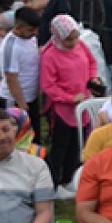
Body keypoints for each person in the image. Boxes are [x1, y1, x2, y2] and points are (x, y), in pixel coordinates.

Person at [40, 14, 100, 188]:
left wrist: (92, 79)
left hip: (81, 106)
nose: (73, 43)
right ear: (58, 37)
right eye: (68, 40)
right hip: (62, 109)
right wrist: (69, 98)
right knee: (60, 146)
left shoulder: (80, 45)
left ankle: (68, 179)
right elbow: (48, 86)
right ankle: (53, 182)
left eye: (75, 38)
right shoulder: (50, 56)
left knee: (76, 144)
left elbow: (91, 62)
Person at [0, 8, 41, 142]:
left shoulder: (31, 38)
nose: (34, 33)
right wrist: (22, 104)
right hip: (15, 100)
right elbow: (11, 79)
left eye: (36, 30)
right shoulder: (11, 46)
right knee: (19, 140)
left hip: (31, 97)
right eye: (30, 30)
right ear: (19, 27)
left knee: (34, 137)